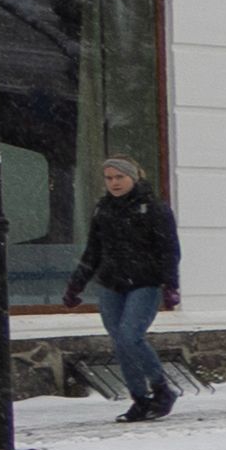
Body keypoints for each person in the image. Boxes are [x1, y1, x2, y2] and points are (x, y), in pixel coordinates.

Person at [72, 156, 181, 420]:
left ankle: (161, 389)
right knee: (121, 342)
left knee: (130, 336)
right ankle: (140, 399)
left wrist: (170, 284)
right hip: (112, 283)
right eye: (109, 178)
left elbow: (169, 249)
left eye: (119, 177)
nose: (114, 183)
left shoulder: (153, 208)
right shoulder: (103, 209)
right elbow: (93, 251)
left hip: (145, 282)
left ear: (133, 177)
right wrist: (76, 285)